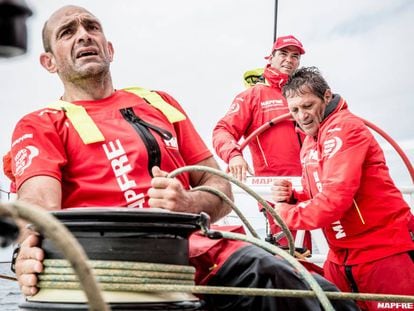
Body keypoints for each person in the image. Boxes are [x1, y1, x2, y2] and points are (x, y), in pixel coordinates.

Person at [7, 6, 358, 311]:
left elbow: (220, 187)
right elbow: (37, 208)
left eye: (91, 27)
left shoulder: (160, 103)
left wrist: (187, 201)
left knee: (321, 290)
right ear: (48, 61)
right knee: (272, 276)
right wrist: (28, 248)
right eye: (68, 32)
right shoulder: (42, 123)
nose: (83, 35)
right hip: (126, 267)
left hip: (204, 249)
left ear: (110, 49)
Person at [271, 66, 414, 311]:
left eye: (307, 106)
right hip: (341, 261)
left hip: (384, 256)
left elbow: (333, 202)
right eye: (294, 110)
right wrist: (293, 197)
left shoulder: (346, 129)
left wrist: (284, 212)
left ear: (326, 97)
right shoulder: (309, 141)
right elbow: (318, 192)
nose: (301, 116)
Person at [212, 35, 310, 248]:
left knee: (324, 252)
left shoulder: (305, 94)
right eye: (283, 54)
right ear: (271, 57)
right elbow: (222, 131)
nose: (289, 59)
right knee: (291, 254)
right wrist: (234, 155)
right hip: (277, 191)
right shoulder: (253, 95)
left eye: (295, 56)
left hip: (314, 186)